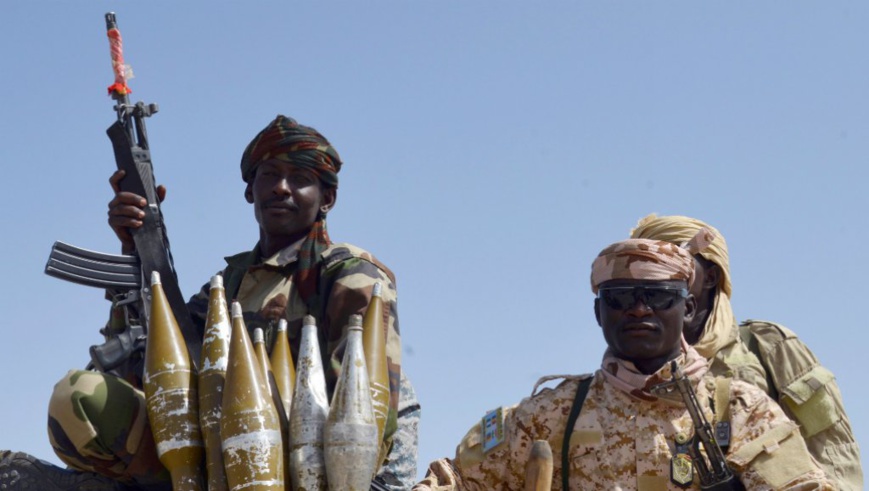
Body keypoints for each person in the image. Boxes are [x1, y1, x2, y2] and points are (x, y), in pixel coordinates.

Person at [1, 115, 419, 490]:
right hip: (223, 453)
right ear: (250, 191)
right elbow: (149, 373)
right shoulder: (229, 284)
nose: (281, 187)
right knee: (80, 397)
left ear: (326, 199)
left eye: (300, 178)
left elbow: (364, 408)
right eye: (269, 175)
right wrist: (137, 255)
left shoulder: (350, 274)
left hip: (327, 466)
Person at [415, 232, 831, 490]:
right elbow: (454, 482)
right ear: (599, 313)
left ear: (687, 309)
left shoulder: (739, 411)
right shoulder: (548, 417)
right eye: (619, 298)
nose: (638, 309)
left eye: (658, 296)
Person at [630, 213, 862, 490]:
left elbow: (832, 449)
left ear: (711, 277)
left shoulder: (767, 346)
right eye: (645, 267)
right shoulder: (627, 368)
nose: (656, 275)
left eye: (673, 263)